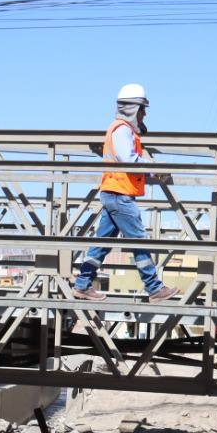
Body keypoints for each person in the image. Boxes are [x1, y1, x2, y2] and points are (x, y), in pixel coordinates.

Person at [73, 84, 181, 304]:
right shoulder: (122, 129)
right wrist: (155, 169)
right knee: (139, 241)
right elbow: (129, 160)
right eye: (142, 108)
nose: (144, 113)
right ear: (133, 108)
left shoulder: (122, 129)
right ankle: (154, 288)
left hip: (115, 192)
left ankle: (83, 285)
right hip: (119, 194)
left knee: (102, 243)